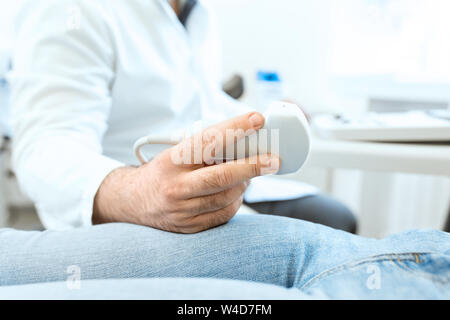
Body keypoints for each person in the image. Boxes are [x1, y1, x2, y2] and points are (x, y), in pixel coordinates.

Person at [2, 0, 448, 299]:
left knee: (332, 215)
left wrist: (262, 114)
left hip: (211, 190)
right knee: (311, 254)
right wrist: (135, 193)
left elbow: (197, 102)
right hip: (130, 207)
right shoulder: (68, 9)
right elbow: (46, 144)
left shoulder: (195, 12)